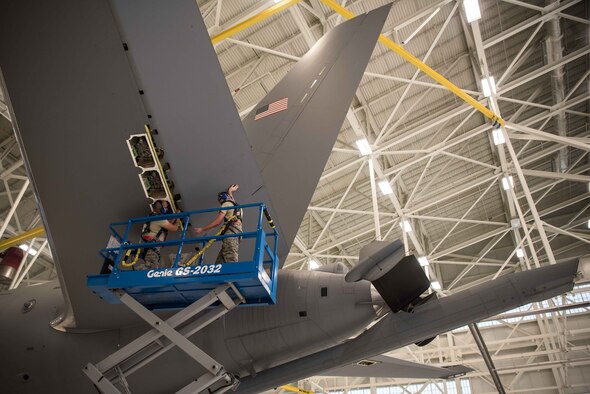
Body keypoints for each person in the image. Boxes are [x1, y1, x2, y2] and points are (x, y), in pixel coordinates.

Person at [193, 184, 242, 263]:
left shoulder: (225, 204)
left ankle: (232, 272)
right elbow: (231, 199)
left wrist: (202, 229)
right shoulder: (235, 205)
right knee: (221, 259)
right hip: (237, 232)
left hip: (231, 233)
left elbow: (217, 222)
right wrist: (230, 191)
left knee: (230, 256)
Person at [138, 200, 180, 269]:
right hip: (152, 248)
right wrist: (178, 218)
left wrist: (175, 215)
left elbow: (166, 224)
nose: (166, 209)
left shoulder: (152, 216)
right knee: (151, 269)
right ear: (162, 209)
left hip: (148, 246)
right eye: (165, 208)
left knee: (149, 266)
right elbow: (174, 228)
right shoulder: (159, 219)